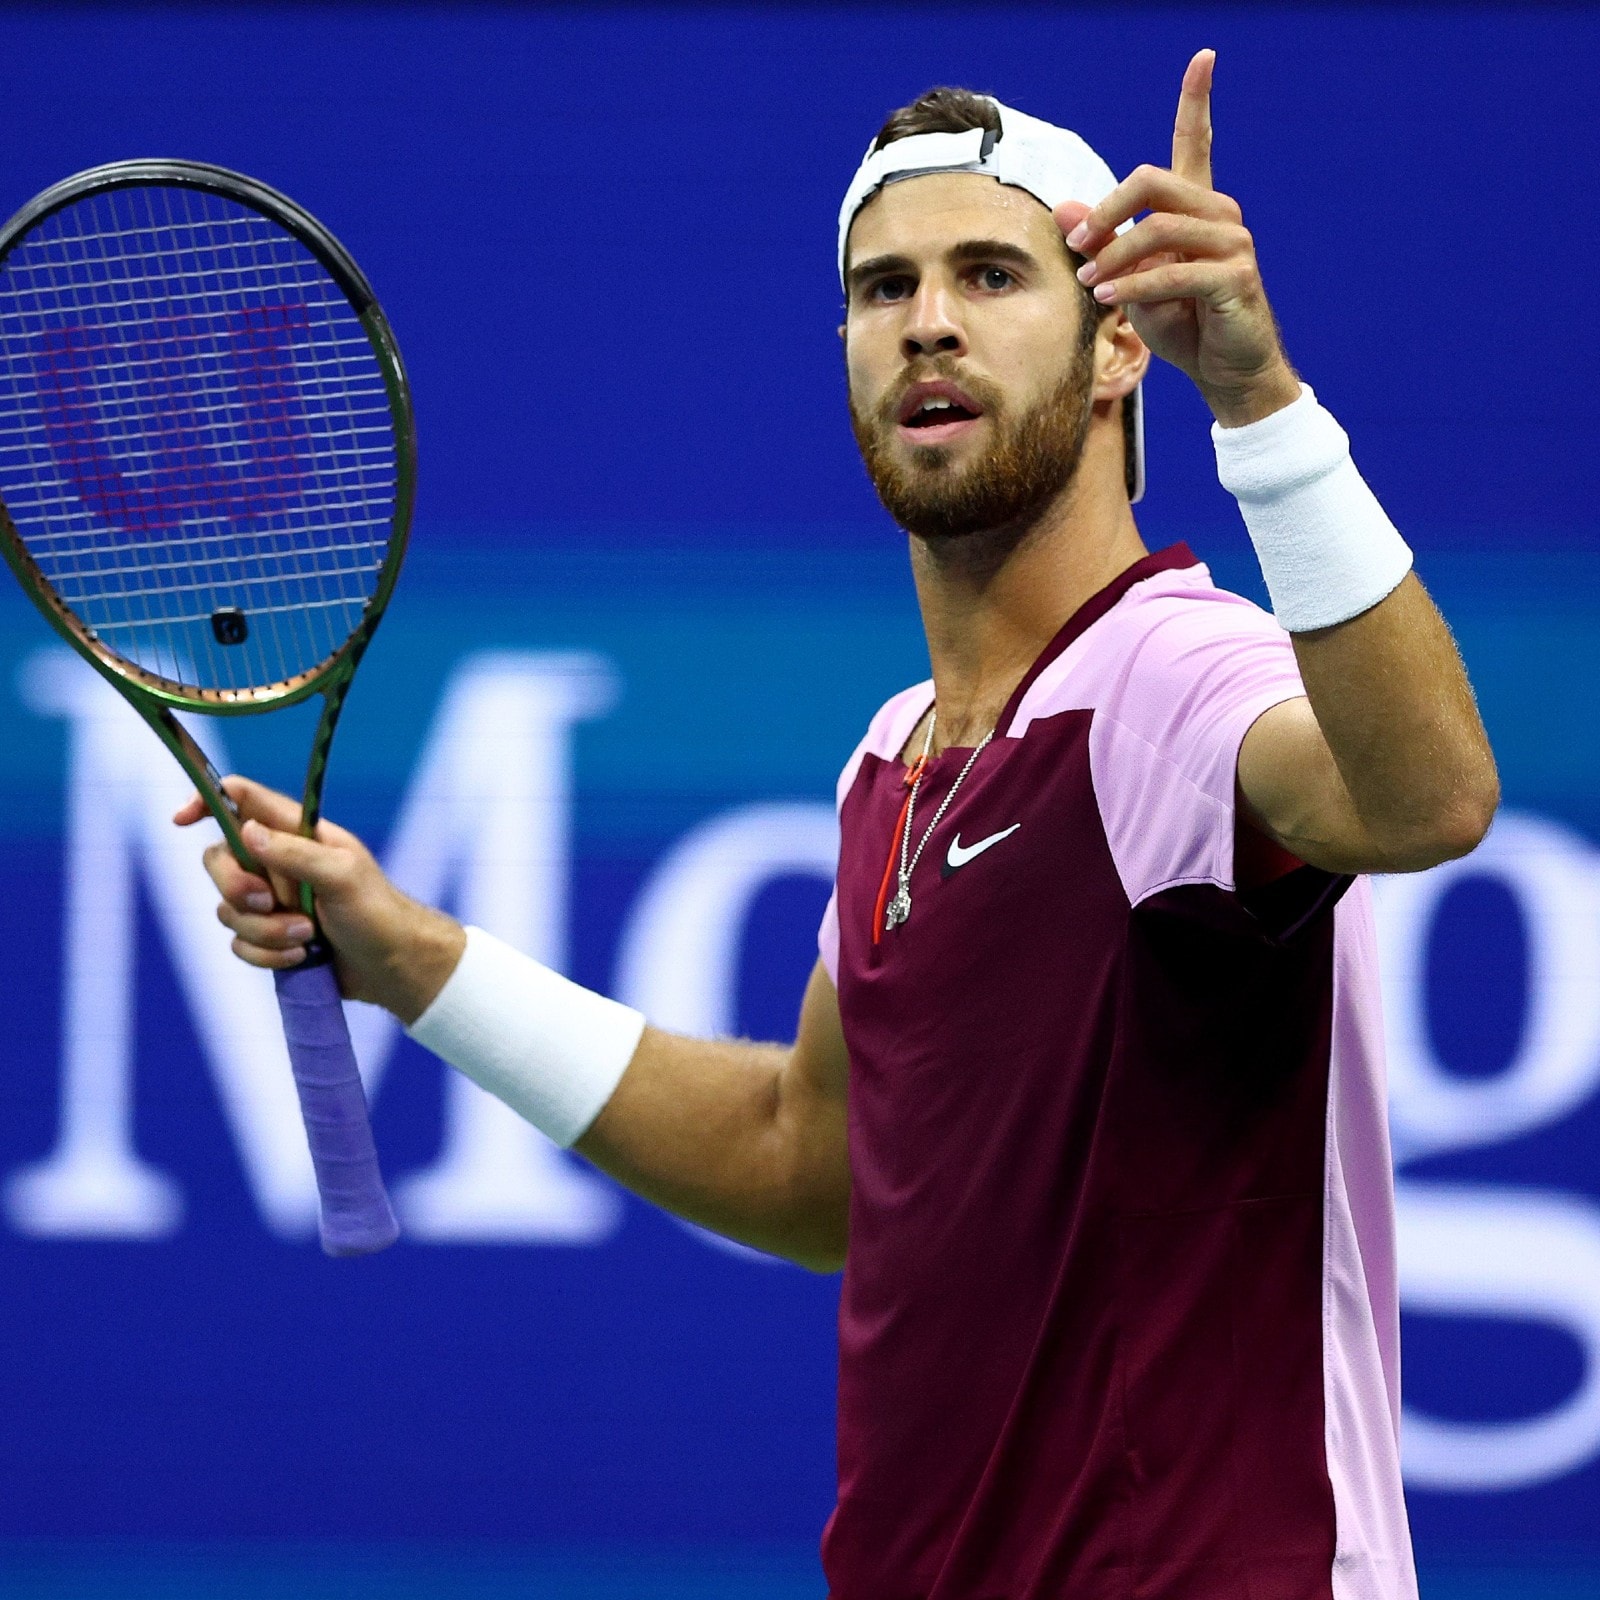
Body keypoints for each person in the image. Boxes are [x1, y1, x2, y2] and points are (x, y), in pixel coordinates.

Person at [179, 51, 1497, 1600]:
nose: (926, 320)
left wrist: (1262, 402)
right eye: (883, 289)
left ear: (1122, 341)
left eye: (993, 273)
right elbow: (806, 1160)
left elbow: (1429, 800)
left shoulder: (1174, 682)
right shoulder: (898, 759)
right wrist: (411, 960)